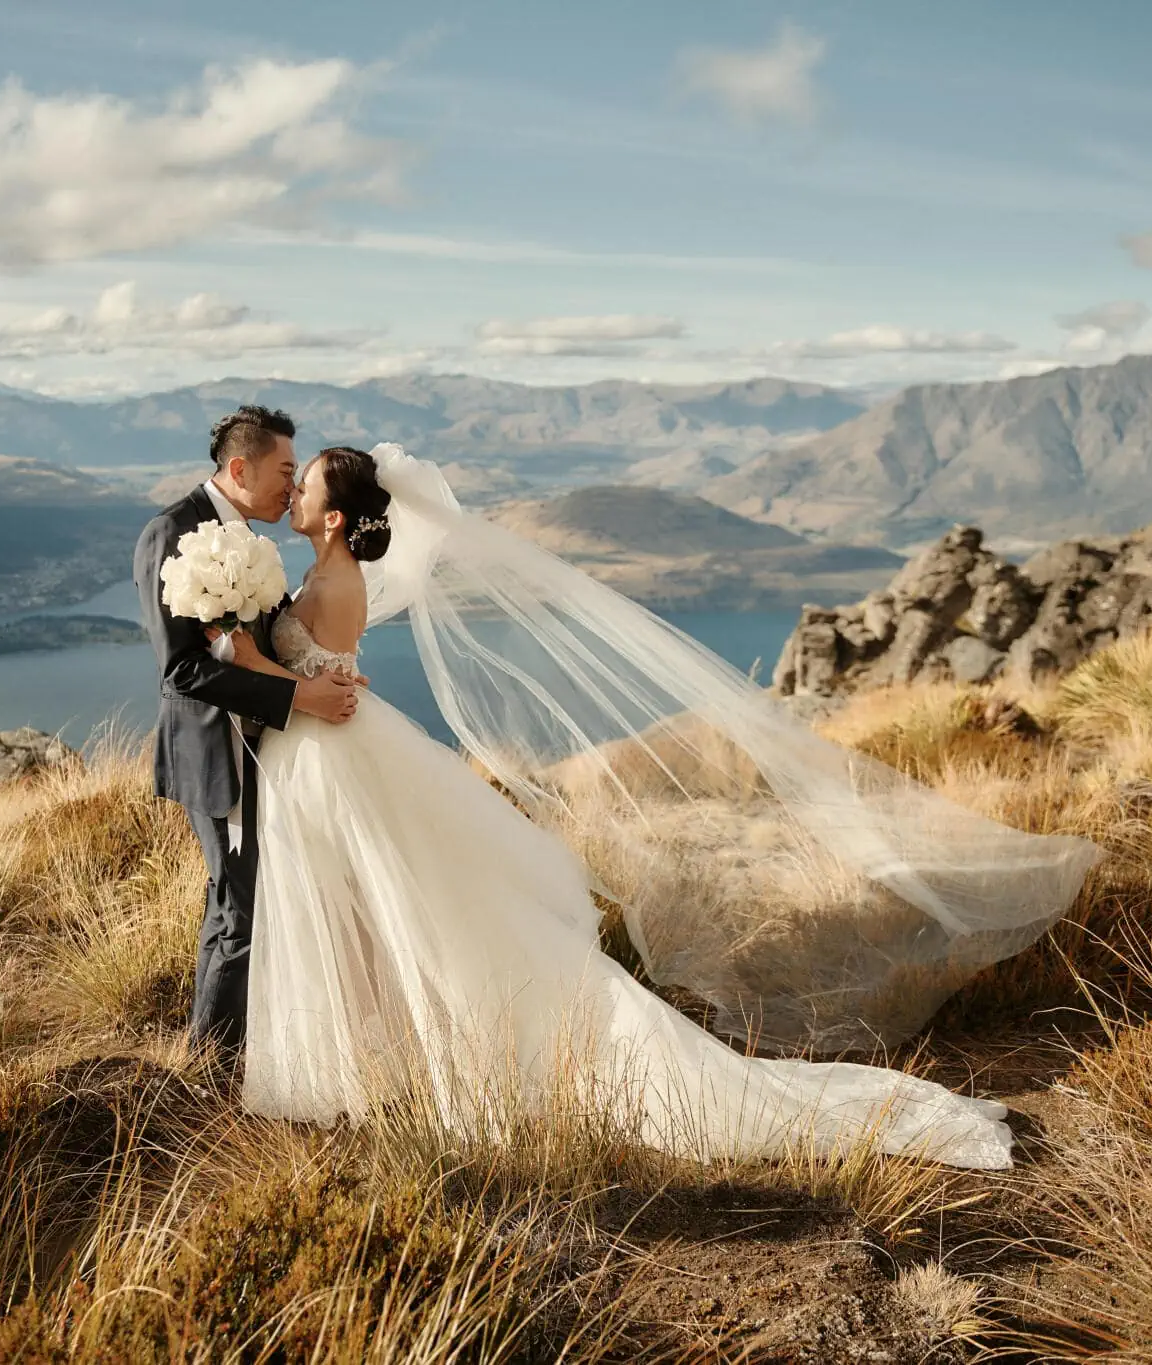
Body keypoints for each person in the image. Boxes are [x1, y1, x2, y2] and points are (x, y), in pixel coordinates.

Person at [213, 443, 1099, 1170]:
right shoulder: (325, 574)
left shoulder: (334, 583)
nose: (295, 495)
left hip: (332, 757)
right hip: (325, 755)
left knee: (380, 903)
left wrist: (236, 647)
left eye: (308, 486)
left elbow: (311, 673)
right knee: (368, 905)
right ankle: (371, 1058)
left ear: (336, 517)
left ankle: (381, 1065)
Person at [132, 406, 361, 1062]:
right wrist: (301, 696)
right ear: (240, 468)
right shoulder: (172, 532)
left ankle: (209, 1057)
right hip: (215, 754)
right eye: (286, 472)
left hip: (259, 751)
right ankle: (210, 1074)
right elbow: (183, 669)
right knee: (243, 911)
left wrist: (323, 669)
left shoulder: (247, 539)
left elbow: (260, 634)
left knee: (234, 906)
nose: (293, 487)